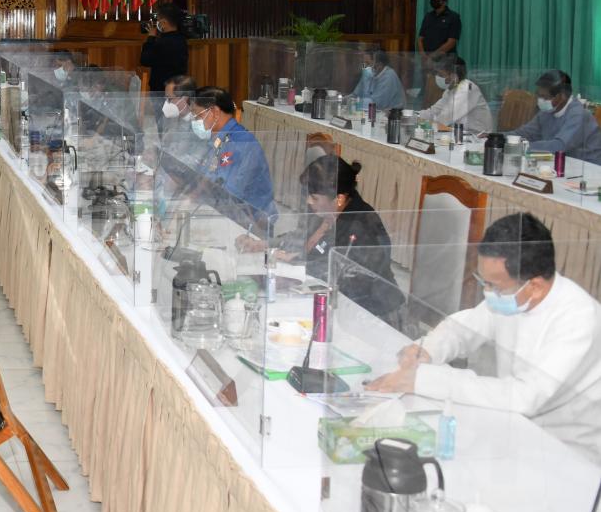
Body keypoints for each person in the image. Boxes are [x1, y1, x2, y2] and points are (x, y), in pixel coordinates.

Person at [367, 213, 601, 463]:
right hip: (512, 427)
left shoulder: (579, 318)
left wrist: (424, 380)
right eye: (484, 282)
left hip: (566, 451)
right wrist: (428, 349)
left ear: (535, 286)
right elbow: (464, 328)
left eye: (494, 285)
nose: (487, 292)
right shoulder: (512, 297)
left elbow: (525, 397)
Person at [238, 156, 403, 324]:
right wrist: (264, 244)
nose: (309, 201)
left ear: (339, 198)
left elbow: (339, 273)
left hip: (372, 315)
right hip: (329, 302)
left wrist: (295, 261)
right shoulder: (326, 211)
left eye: (315, 198)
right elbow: (300, 235)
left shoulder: (360, 226)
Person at [188, 86, 277, 226]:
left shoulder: (240, 142)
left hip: (251, 222)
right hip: (226, 211)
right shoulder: (218, 139)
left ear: (215, 112)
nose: (194, 122)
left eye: (197, 116)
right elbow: (206, 175)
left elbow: (228, 193)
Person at [511, 70, 601, 164]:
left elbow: (560, 145)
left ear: (562, 96)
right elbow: (526, 133)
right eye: (539, 95)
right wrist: (503, 138)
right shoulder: (547, 112)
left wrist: (521, 146)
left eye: (545, 97)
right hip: (562, 162)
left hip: (589, 167)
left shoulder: (578, 114)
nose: (540, 100)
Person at [417, 55, 492, 134]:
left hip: (477, 137)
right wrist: (414, 115)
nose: (437, 77)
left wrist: (424, 123)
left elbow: (444, 119)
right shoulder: (451, 90)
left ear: (454, 76)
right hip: (461, 134)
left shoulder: (467, 89)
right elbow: (434, 111)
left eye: (441, 75)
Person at [141, 3, 190, 95]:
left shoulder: (163, 43)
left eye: (158, 20)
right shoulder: (182, 39)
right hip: (178, 87)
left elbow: (145, 60)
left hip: (161, 90)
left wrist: (151, 38)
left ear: (164, 23)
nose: (157, 23)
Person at [419, 0, 462, 66]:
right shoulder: (428, 16)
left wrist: (432, 56)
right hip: (427, 63)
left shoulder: (453, 17)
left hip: (445, 62)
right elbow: (420, 39)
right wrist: (423, 56)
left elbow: (451, 42)